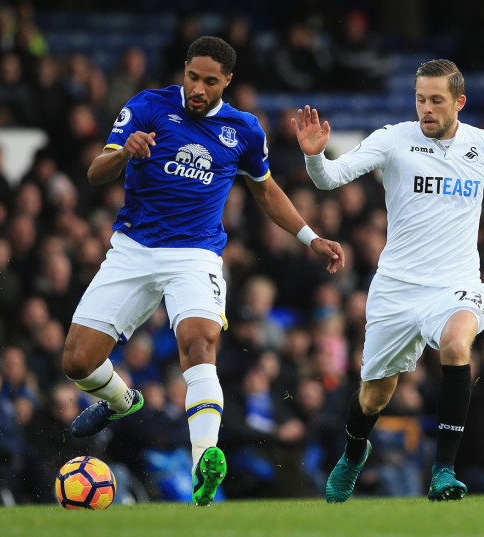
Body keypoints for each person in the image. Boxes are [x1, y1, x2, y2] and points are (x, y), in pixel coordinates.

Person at [291, 58, 484, 503]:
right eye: (421, 99)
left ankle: (444, 471)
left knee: (458, 344)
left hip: (455, 283)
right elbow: (330, 180)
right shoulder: (393, 139)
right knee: (374, 398)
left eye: (437, 100)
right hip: (397, 287)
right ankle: (354, 450)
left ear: (459, 101)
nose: (426, 108)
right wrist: (313, 156)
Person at [61, 36, 345, 507]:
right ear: (185, 70)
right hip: (133, 249)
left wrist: (310, 237)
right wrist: (123, 151)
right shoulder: (149, 107)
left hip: (195, 255)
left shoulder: (244, 130)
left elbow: (267, 191)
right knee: (76, 362)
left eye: (209, 82)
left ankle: (203, 462)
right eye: (192, 77)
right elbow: (95, 172)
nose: (197, 88)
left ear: (226, 82)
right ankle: (120, 401)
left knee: (199, 344)